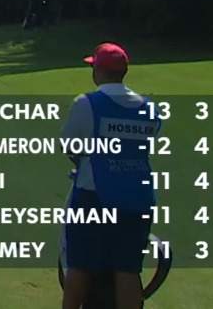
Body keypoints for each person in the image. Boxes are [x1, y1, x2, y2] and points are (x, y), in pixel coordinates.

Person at [59, 42, 162, 309]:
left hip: (93, 196)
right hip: (138, 197)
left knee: (79, 265)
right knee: (128, 269)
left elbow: (70, 146)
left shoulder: (87, 103)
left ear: (98, 72)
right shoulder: (150, 108)